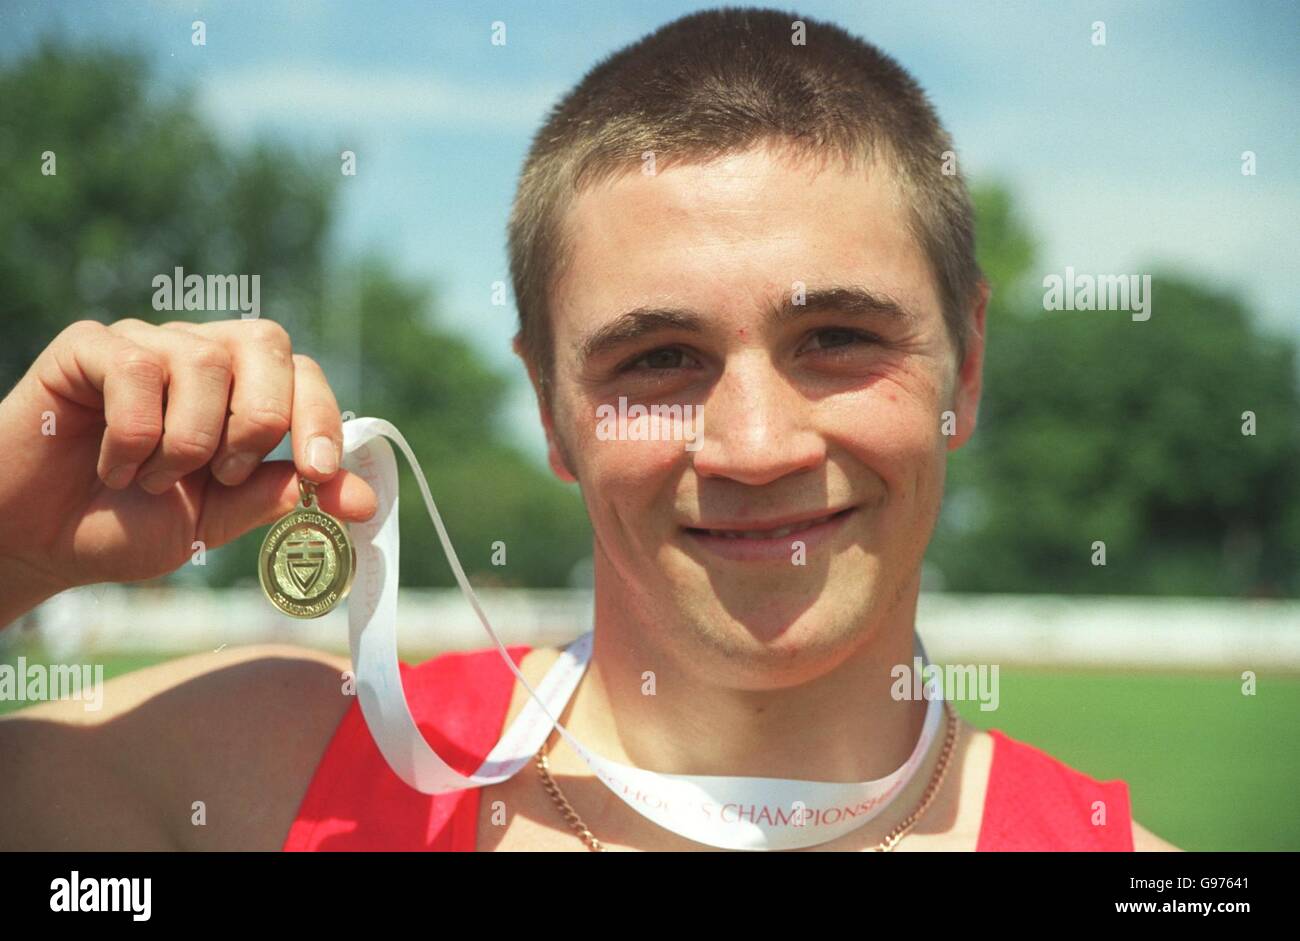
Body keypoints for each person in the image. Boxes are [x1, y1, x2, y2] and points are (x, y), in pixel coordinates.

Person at [0, 6, 1178, 851]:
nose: (756, 443)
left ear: (963, 364)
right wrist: (10, 553)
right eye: (660, 358)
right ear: (552, 410)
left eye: (837, 339)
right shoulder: (265, 769)